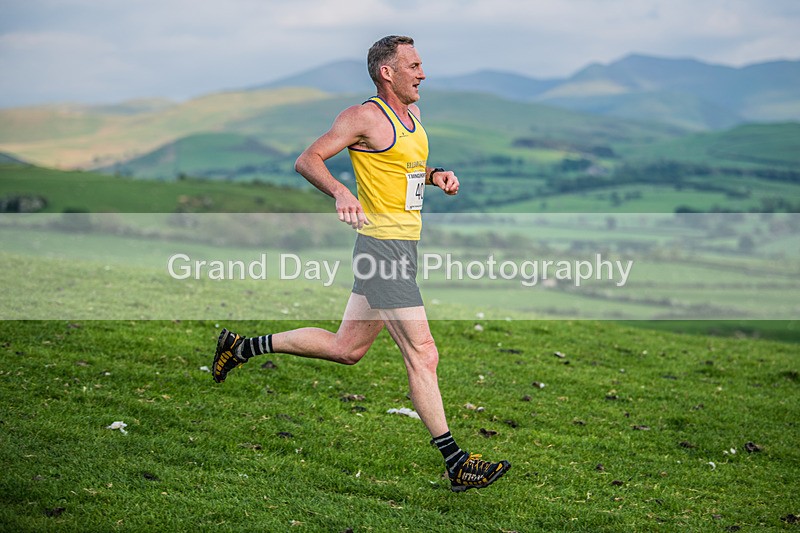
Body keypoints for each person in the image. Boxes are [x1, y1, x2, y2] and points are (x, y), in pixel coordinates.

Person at [212, 35, 510, 492]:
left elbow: (404, 169)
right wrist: (341, 191)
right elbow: (307, 159)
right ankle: (456, 463)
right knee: (423, 352)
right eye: (413, 65)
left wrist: (436, 176)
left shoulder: (412, 117)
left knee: (346, 349)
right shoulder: (363, 116)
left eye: (421, 64)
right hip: (382, 250)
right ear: (387, 72)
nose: (422, 73)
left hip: (401, 248)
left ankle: (241, 347)